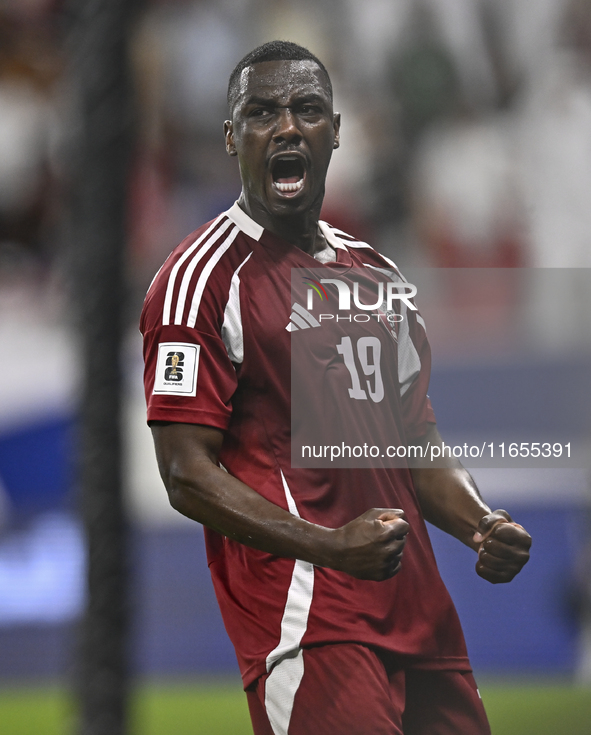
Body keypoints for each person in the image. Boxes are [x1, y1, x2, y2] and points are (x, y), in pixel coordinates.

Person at [140, 41, 532, 735]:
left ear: (335, 132)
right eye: (261, 112)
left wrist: (480, 521)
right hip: (310, 624)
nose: (286, 126)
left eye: (307, 109)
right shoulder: (197, 281)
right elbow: (184, 472)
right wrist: (328, 546)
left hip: (422, 620)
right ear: (232, 137)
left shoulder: (375, 275)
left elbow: (416, 441)